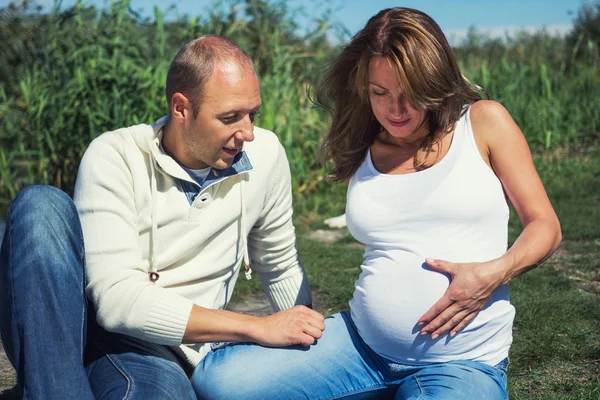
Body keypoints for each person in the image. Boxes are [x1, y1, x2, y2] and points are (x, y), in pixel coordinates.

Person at [192, 7, 562, 400]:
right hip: (361, 348)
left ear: (433, 80)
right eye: (380, 93)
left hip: (460, 362)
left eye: (409, 94)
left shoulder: (483, 123)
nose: (395, 110)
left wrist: (493, 274)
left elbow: (545, 226)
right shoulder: (364, 146)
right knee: (220, 383)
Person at [0, 35, 325, 399]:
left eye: (253, 114)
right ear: (181, 108)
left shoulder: (265, 154)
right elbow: (117, 301)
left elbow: (280, 264)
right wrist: (256, 327)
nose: (247, 132)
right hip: (75, 327)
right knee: (40, 205)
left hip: (158, 351)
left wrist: (308, 342)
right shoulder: (115, 155)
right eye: (230, 117)